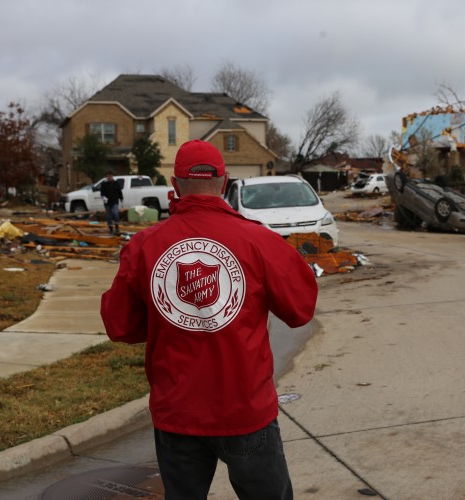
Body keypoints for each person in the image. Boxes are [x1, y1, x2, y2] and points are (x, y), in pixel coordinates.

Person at [100, 140, 318, 499]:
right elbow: (300, 309)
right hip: (245, 409)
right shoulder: (258, 240)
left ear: (175, 184)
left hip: (178, 412)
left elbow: (120, 326)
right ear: (225, 182)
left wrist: (165, 317)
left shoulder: (144, 246)